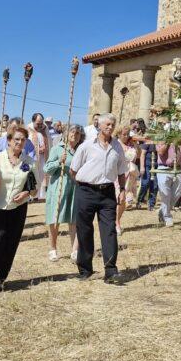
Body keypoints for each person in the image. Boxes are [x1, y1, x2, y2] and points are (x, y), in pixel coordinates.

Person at [69, 113, 129, 283]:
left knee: (109, 230)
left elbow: (121, 171)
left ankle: (111, 271)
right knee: (85, 230)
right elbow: (73, 170)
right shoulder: (86, 146)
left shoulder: (117, 147)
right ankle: (85, 269)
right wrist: (83, 185)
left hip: (107, 193)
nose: (110, 127)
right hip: (86, 191)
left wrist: (122, 189)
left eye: (113, 124)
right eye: (107, 124)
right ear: (100, 126)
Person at [0, 124, 35, 293]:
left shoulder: (29, 162)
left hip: (18, 208)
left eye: (23, 140)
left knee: (11, 244)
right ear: (9, 141)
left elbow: (34, 188)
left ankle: (0, 279)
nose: (20, 142)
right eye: (17, 139)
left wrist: (26, 193)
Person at [45, 123, 81, 262]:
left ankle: (75, 251)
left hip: (75, 187)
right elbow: (47, 169)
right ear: (66, 133)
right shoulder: (57, 149)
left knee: (74, 219)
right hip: (59, 187)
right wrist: (59, 162)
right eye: (72, 132)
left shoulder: (80, 151)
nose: (74, 135)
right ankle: (53, 249)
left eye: (77, 133)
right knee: (55, 218)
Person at [155, 130, 181, 228]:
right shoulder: (160, 138)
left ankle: (163, 210)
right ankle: (167, 216)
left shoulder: (180, 137)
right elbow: (160, 152)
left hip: (178, 169)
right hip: (164, 168)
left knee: (177, 193)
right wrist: (167, 142)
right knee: (165, 194)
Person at [116, 125, 140, 235]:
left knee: (125, 201)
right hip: (119, 174)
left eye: (127, 134)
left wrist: (135, 145)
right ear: (119, 134)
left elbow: (138, 155)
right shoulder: (116, 144)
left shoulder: (131, 145)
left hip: (130, 175)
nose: (126, 136)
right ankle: (116, 223)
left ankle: (117, 220)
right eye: (123, 134)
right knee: (119, 199)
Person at [28, 112, 49, 201]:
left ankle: (41, 195)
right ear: (33, 121)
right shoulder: (28, 130)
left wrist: (45, 148)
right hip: (32, 159)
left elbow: (49, 142)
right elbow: (26, 145)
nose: (40, 125)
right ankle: (32, 196)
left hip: (43, 158)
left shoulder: (45, 129)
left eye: (41, 123)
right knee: (33, 176)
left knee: (42, 176)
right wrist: (37, 150)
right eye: (38, 124)